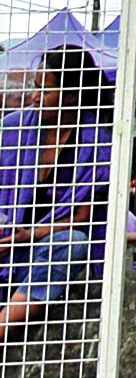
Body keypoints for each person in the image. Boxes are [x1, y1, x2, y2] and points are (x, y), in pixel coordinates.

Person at [0, 48, 115, 332]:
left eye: (44, 90)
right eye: (34, 87)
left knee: (71, 242)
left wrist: (28, 235)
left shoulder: (98, 144)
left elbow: (82, 219)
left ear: (72, 96)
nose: (34, 97)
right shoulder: (10, 130)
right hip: (5, 242)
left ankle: (3, 325)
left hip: (43, 248)